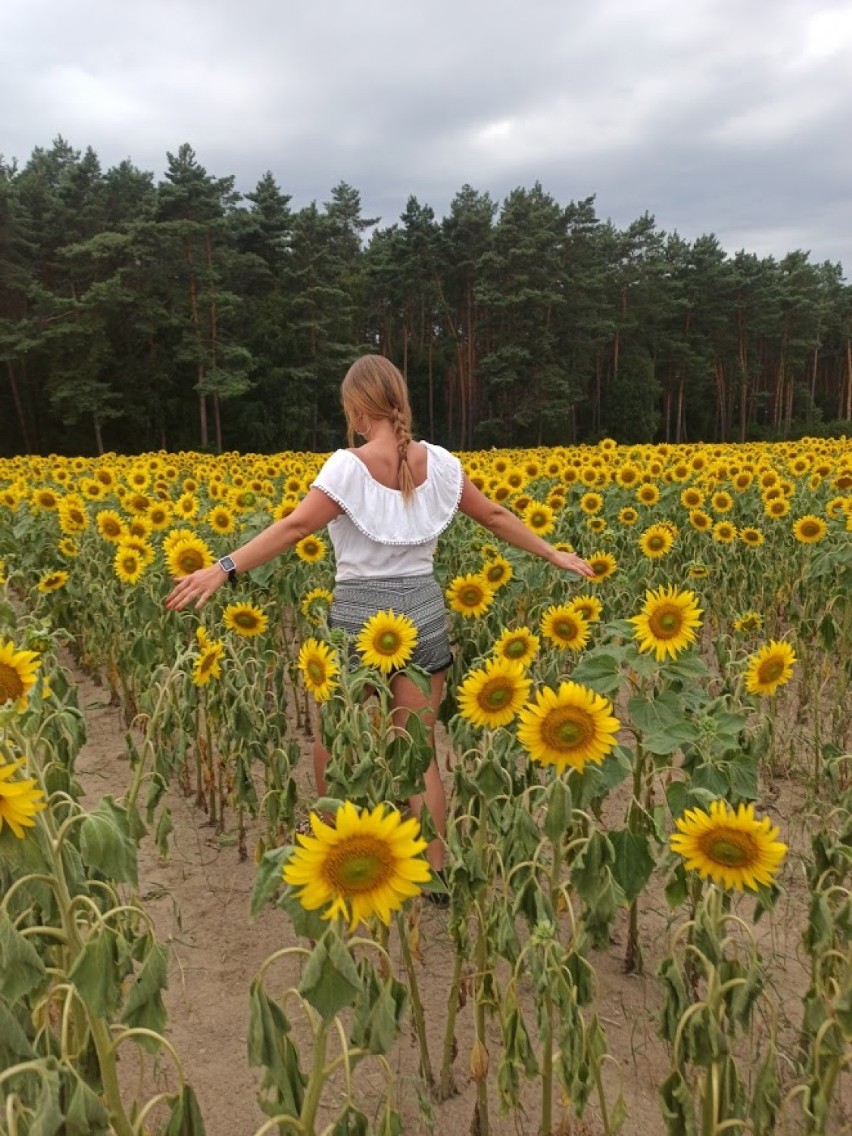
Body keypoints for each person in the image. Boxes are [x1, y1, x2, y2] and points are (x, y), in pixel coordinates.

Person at [166, 355, 595, 874]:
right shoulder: (439, 462)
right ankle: (435, 871)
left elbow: (296, 528)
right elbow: (496, 516)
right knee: (420, 748)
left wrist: (224, 567)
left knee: (337, 734)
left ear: (356, 406)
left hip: (359, 614)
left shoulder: (347, 466)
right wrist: (552, 553)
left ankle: (331, 842)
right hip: (424, 610)